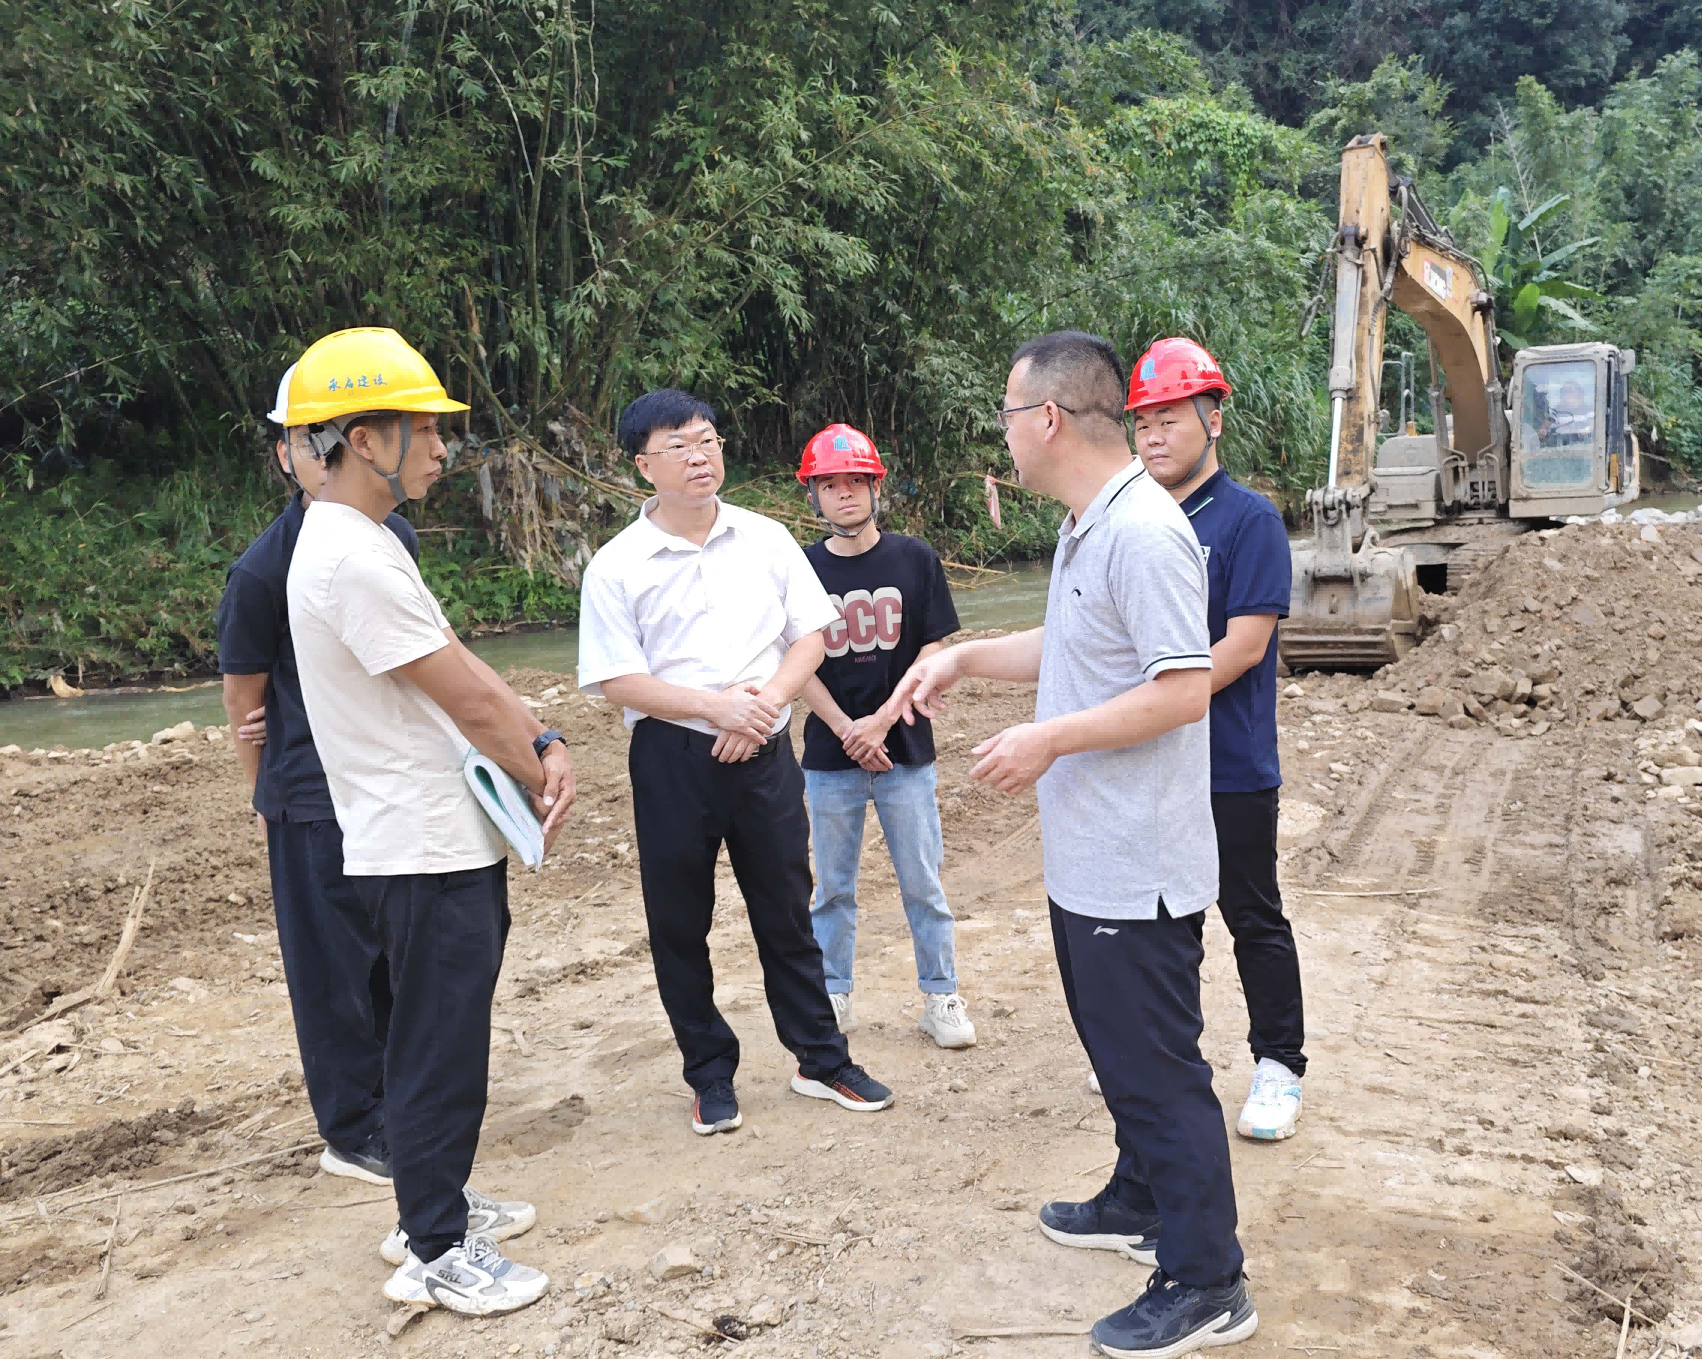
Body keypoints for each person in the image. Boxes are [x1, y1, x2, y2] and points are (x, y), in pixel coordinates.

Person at [892, 331, 1256, 1358]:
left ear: (1047, 418)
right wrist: (964, 659)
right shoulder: (1087, 524)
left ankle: (1208, 1279)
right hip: (1092, 854)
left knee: (1156, 1069)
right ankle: (1141, 1196)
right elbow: (1083, 642)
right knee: (1117, 1051)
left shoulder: (1143, 531)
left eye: (1008, 415)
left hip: (1138, 862)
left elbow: (1181, 689)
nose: (1003, 436)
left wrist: (1048, 738)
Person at [285, 327, 574, 1316]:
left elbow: (458, 658)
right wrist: (539, 760)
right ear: (364, 440)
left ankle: (429, 1206)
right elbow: (469, 700)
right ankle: (437, 1248)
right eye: (427, 429)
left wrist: (543, 733)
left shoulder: (364, 540)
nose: (445, 447)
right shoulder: (349, 558)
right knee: (437, 1043)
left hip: (431, 831)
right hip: (421, 840)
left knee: (432, 1032)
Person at [576, 390, 896, 1139]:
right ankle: (709, 1073)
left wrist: (766, 705)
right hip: (672, 755)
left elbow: (810, 635)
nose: (700, 457)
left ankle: (821, 1058)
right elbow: (616, 677)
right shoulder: (617, 565)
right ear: (643, 465)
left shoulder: (765, 538)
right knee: (679, 920)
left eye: (708, 440)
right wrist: (713, 709)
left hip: (765, 751)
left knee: (786, 906)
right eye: (679, 446)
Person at [217, 364, 408, 1188]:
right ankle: (354, 1127)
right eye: (302, 439)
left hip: (379, 782)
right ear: (286, 454)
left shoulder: (389, 539)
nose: (317, 452)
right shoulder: (263, 569)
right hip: (310, 795)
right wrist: (267, 796)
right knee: (331, 970)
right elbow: (244, 698)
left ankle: (402, 1102)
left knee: (392, 957)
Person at [1128, 337, 1305, 1143]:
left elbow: (1243, 646)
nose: (1154, 435)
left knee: (1252, 915)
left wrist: (1154, 702)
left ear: (1214, 420)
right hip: (1153, 759)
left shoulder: (1248, 519)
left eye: (1170, 418)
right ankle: (1172, 1057)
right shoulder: (1137, 522)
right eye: (1143, 422)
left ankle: (1279, 1064)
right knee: (1166, 921)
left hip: (1228, 763)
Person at [793, 424, 974, 1049]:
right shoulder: (801, 568)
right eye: (830, 485)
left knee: (923, 882)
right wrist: (847, 729)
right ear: (813, 495)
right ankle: (833, 994)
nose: (844, 494)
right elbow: (793, 660)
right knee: (831, 888)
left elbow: (932, 647)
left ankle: (940, 995)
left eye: (855, 482)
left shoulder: (914, 558)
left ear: (876, 487)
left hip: (907, 752)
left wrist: (883, 721)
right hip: (830, 755)